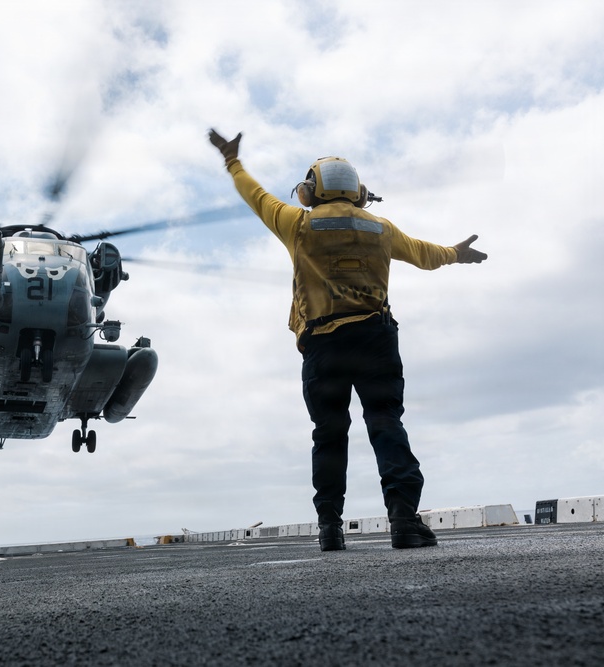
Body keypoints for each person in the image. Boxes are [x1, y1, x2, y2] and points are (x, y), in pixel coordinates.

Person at [208, 129, 487, 551]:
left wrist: (232, 161)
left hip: (324, 345)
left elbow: (257, 196)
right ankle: (405, 522)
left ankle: (330, 529)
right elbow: (426, 255)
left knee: (329, 433)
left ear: (310, 190)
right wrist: (455, 252)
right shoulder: (381, 228)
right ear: (358, 192)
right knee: (386, 422)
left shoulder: (297, 223)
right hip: (376, 340)